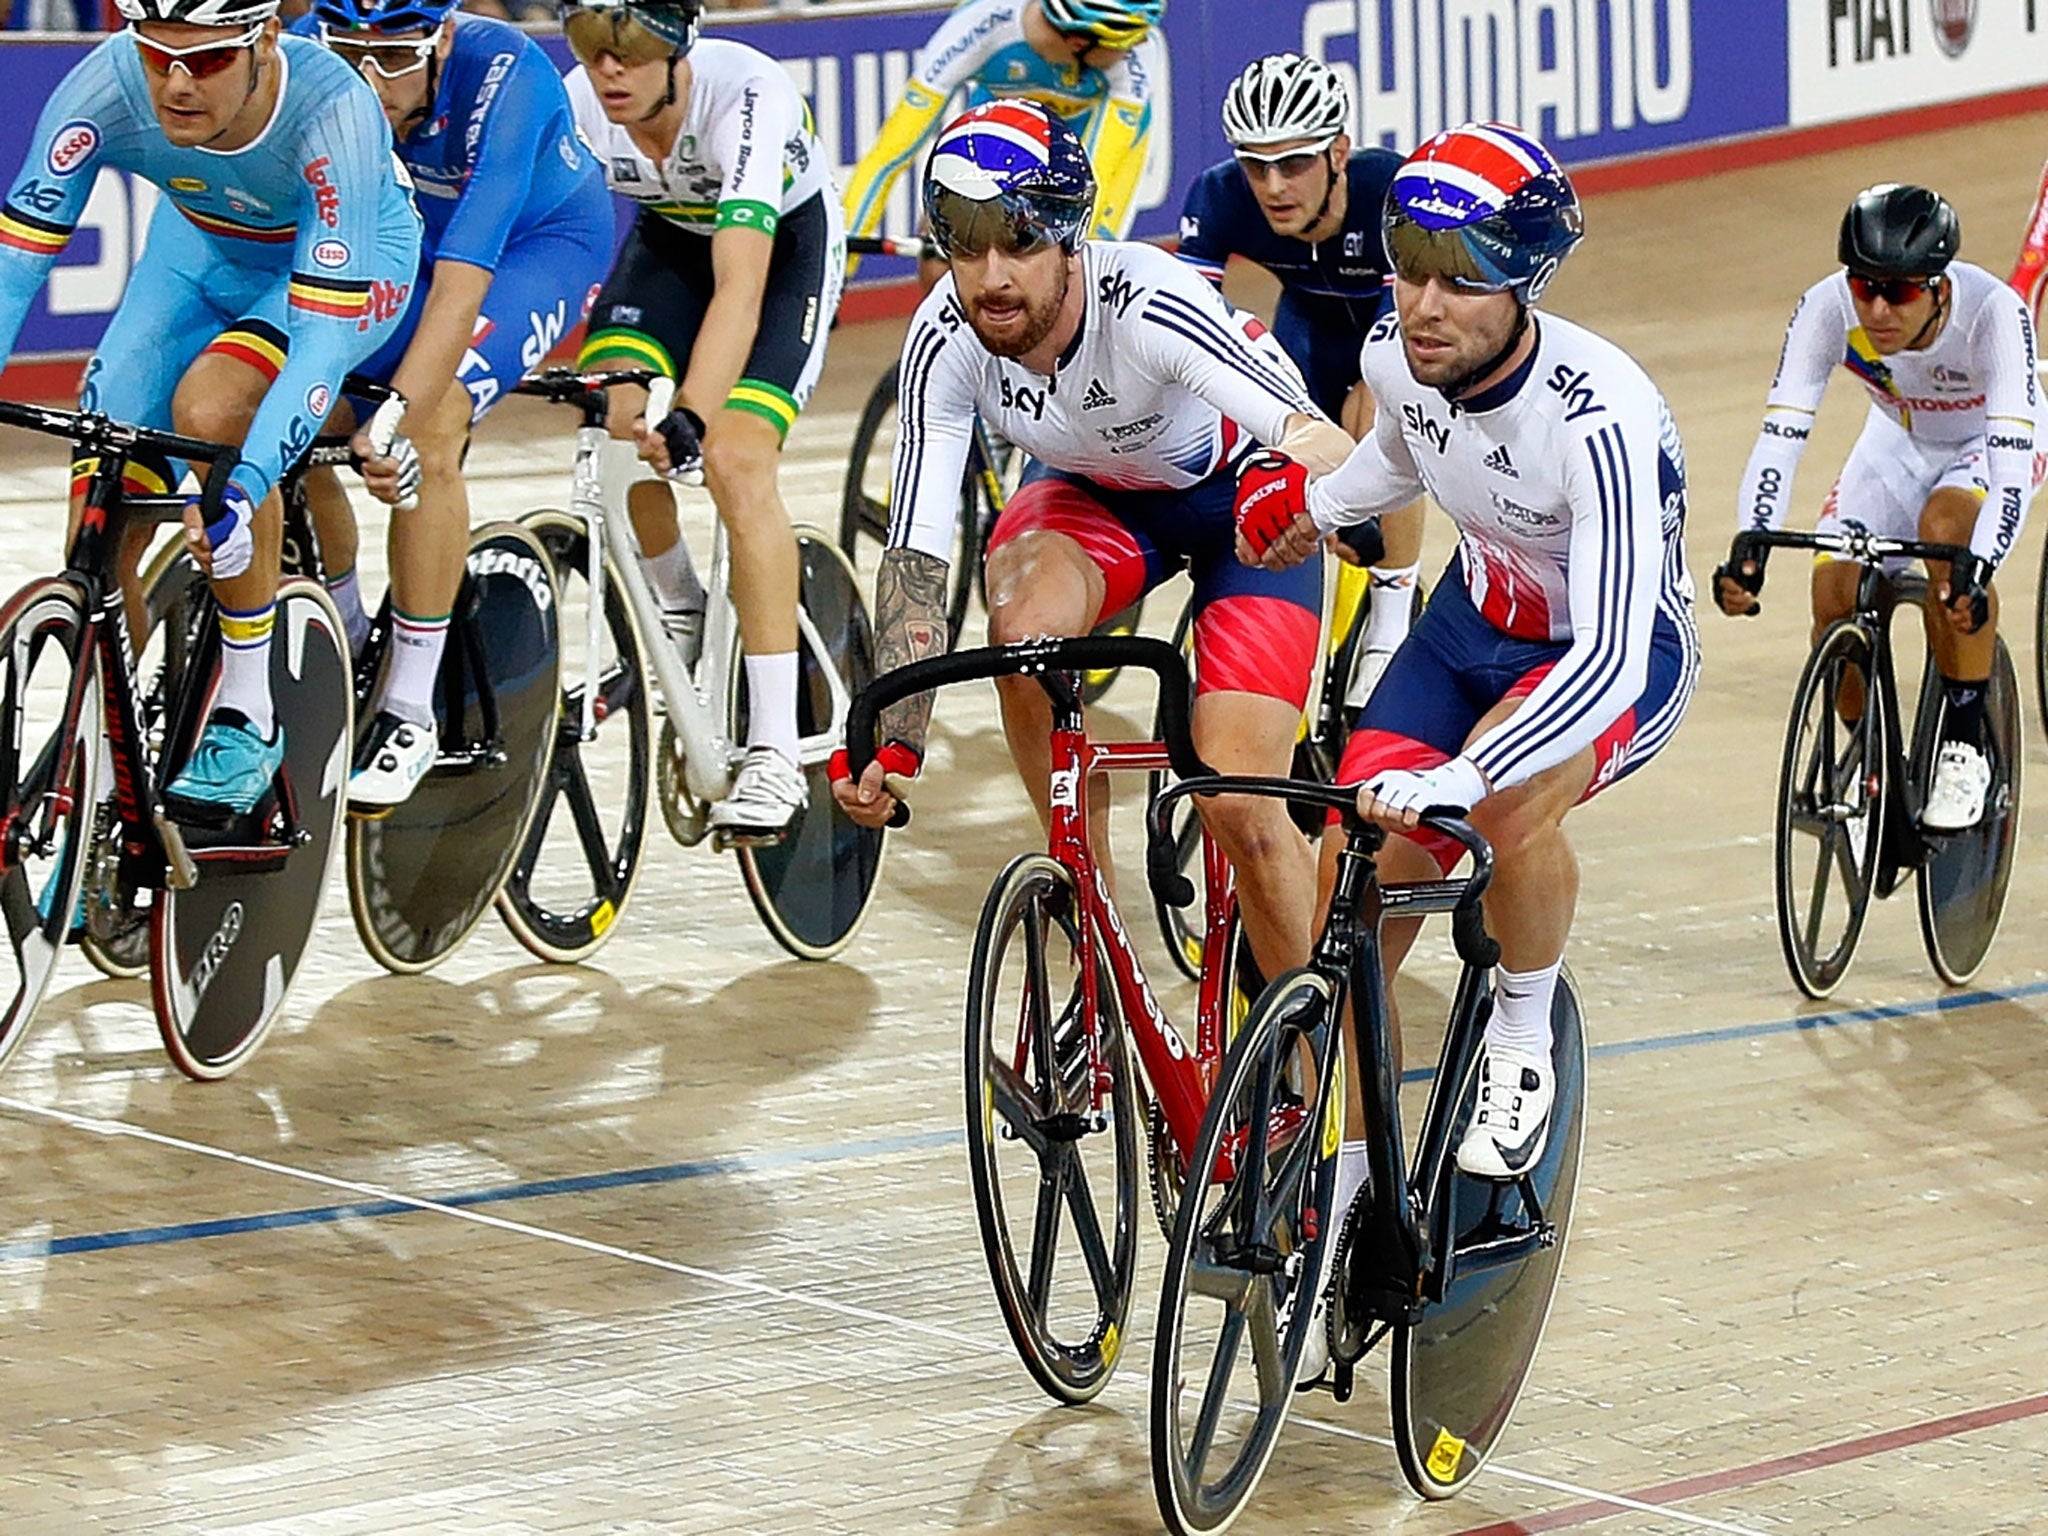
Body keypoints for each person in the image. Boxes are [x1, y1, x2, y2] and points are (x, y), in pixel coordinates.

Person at [1236, 122, 1699, 1187]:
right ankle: (1342, 1171)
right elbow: (1398, 457)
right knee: (1350, 878)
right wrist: (1309, 504)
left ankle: (1521, 1036)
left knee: (1495, 808)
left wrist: (1464, 772)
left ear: (1524, 283)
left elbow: (1613, 654)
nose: (1425, 304)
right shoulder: (1394, 357)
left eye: (1462, 280)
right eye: (1409, 269)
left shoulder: (1601, 420)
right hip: (1465, 629)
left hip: (1605, 651)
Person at [830, 101, 1356, 984]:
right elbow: (918, 550)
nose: (992, 278)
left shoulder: (1149, 302)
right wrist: (896, 736)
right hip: (1095, 501)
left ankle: (1325, 1074)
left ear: (1072, 237)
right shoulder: (946, 334)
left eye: (1021, 243)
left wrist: (1295, 493)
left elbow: (1320, 441)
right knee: (1020, 630)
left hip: (1238, 509)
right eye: (966, 246)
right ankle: (1094, 925)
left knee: (1238, 798)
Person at [0, 0, 420, 824]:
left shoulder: (335, 109)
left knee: (214, 409)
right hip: (193, 253)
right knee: (105, 480)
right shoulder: (102, 86)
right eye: (159, 59)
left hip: (338, 271)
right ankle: (101, 748)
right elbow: (15, 272)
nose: (179, 84)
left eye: (210, 62)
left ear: (265, 39)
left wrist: (245, 481)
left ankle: (247, 712)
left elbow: (320, 348)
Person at [295, 0, 611, 810]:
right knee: (304, 410)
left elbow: (466, 274)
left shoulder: (506, 76)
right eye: (349, 54)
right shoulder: (299, 52)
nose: (369, 81)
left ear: (441, 37)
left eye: (395, 58)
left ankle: (408, 707)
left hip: (531, 246)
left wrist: (399, 406)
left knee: (428, 428)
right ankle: (350, 630)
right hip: (412, 239)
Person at [560, 0, 846, 839]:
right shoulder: (579, 107)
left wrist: (692, 410)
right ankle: (680, 604)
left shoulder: (747, 96)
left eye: (634, 50)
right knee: (611, 415)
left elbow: (743, 289)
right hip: (669, 243)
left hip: (780, 251)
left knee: (734, 460)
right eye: (591, 47)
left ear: (681, 49)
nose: (610, 70)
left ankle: (772, 751)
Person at [1716, 184, 2041, 831]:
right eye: (1866, 287)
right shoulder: (1826, 309)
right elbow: (1781, 434)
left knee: (1947, 533)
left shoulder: (1995, 315)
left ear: (1941, 287)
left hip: (1986, 445)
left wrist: (1979, 567)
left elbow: (2010, 471)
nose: (1879, 309)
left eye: (1901, 291)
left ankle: (1967, 743)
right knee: (1834, 588)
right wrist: (1750, 541)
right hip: (1895, 442)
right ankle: (1869, 767)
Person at [1179, 53, 1422, 704]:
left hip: (1384, 321)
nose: (1274, 185)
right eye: (1256, 165)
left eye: (1294, 163)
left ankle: (1391, 618)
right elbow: (1190, 332)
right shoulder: (1220, 196)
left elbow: (1409, 333)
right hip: (1306, 324)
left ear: (1339, 152)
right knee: (1271, 438)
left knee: (1380, 419)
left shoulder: (1390, 192)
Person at [840, 0, 1162, 285]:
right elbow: (889, 157)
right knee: (942, 258)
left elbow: (1094, 176)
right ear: (1078, 41)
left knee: (1079, 270)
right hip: (1000, 132)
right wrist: (839, 270)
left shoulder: (1137, 58)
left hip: (1087, 141)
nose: (1136, 48)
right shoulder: (981, 26)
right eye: (1126, 43)